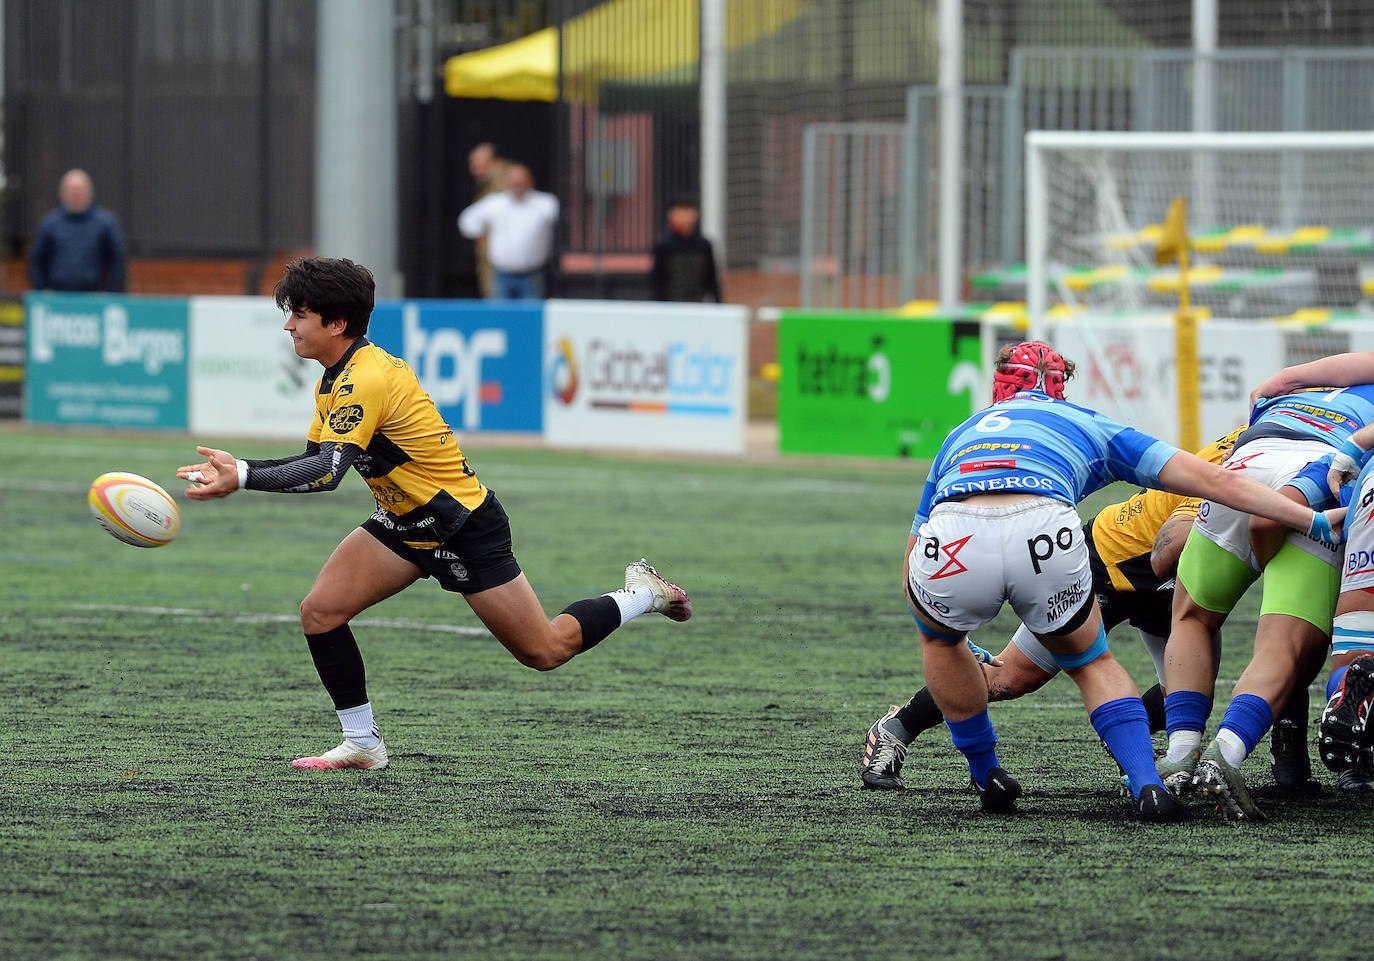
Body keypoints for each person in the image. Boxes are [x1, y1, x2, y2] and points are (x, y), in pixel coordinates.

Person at [175, 257, 691, 771]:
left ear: (336, 324)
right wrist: (240, 472)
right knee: (321, 612)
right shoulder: (334, 380)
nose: (289, 325)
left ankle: (643, 592)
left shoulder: (366, 378)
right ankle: (362, 743)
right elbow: (315, 459)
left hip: (462, 526)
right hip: (403, 524)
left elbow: (325, 474)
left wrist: (241, 474)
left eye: (300, 314)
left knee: (547, 650)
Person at [903, 342, 1342, 823]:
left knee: (944, 644)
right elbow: (1204, 505)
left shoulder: (960, 434)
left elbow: (914, 544)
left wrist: (934, 624)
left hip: (958, 532)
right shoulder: (1091, 422)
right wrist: (1309, 519)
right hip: (1067, 542)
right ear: (1061, 387)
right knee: (1083, 664)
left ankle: (985, 772)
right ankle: (1150, 784)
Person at [860, 428, 1242, 793]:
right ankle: (897, 726)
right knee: (1009, 679)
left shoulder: (1277, 438)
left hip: (1170, 583)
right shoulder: (1244, 453)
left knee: (1189, 688)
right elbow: (1166, 553)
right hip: (1110, 563)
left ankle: (1133, 745)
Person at [1161, 371, 1374, 820]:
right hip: (1318, 471)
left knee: (1192, 617)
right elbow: (1265, 524)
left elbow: (1337, 365)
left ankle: (1180, 754)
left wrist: (1283, 379)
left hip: (1246, 462)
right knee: (1288, 645)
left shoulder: (1310, 384)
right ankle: (1228, 752)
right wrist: (1269, 557)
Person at [457, 163, 558, 300]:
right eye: (514, 181)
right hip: (501, 274)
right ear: (506, 182)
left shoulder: (545, 203)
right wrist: (481, 236)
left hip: (533, 274)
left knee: (530, 318)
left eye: (520, 181)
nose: (517, 185)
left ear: (530, 181)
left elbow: (564, 224)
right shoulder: (495, 203)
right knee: (499, 318)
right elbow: (467, 221)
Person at [29, 169, 126, 293]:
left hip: (93, 298)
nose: (76, 195)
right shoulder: (49, 224)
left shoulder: (105, 224)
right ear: (62, 193)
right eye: (72, 191)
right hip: (56, 299)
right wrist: (41, 289)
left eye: (79, 191)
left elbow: (117, 260)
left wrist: (110, 292)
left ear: (89, 193)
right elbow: (37, 259)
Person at [650, 197, 722, 303]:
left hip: (698, 304)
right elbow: (657, 282)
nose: (684, 215)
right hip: (671, 305)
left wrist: (718, 304)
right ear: (671, 215)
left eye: (687, 210)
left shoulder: (704, 245)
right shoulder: (663, 245)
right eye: (680, 210)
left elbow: (712, 279)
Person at [467, 143, 508, 299]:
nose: (473, 167)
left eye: (477, 162)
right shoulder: (485, 181)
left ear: (493, 161)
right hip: (491, 253)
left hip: (503, 254)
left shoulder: (505, 179)